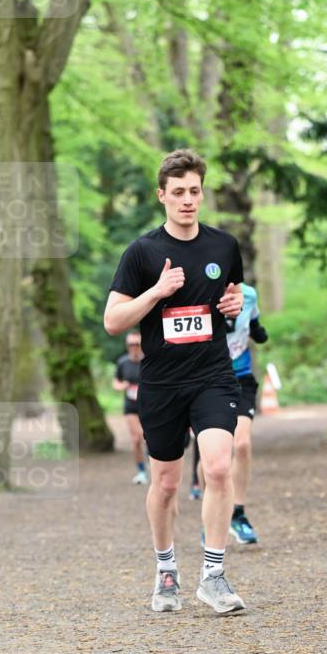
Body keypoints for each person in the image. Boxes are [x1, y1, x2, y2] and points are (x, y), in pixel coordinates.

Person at [104, 148, 246, 615]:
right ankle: (166, 569)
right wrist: (157, 292)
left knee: (219, 467)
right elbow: (112, 321)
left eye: (195, 191)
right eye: (179, 192)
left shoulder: (224, 246)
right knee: (165, 482)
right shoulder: (143, 252)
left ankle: (214, 574)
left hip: (213, 375)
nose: (188, 200)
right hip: (162, 383)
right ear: (161, 195)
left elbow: (230, 298)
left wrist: (232, 307)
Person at [191, 282, 269, 542]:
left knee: (243, 444)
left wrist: (258, 332)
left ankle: (238, 513)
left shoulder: (248, 294)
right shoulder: (197, 291)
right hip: (207, 382)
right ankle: (209, 517)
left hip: (241, 378)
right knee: (213, 457)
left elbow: (253, 321)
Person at [113, 331, 147, 484]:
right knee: (137, 438)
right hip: (131, 406)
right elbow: (115, 381)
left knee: (151, 438)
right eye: (130, 344)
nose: (133, 347)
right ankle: (141, 471)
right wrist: (121, 386)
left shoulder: (148, 361)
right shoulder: (122, 362)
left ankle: (156, 465)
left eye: (137, 344)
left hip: (148, 405)